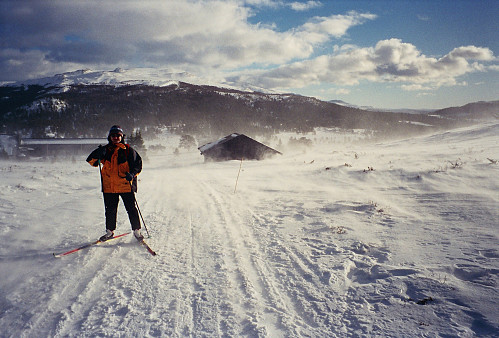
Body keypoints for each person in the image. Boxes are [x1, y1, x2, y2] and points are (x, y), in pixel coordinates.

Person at [87, 125, 144, 241]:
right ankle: (109, 232)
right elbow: (92, 162)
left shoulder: (128, 150)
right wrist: (98, 152)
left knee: (131, 209)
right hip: (109, 187)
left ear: (122, 137)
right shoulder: (105, 151)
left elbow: (138, 165)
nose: (116, 137)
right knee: (110, 210)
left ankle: (137, 231)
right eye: (113, 135)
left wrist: (132, 174)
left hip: (125, 186)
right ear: (109, 137)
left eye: (118, 135)